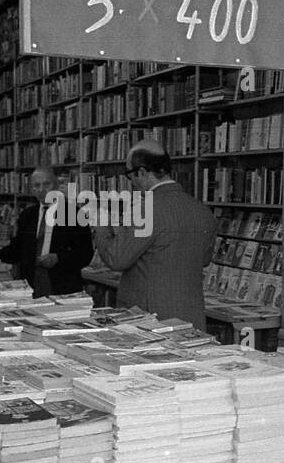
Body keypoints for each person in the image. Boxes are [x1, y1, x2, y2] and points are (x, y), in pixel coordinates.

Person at [92, 141, 216, 330]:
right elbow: (204, 259)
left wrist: (101, 225)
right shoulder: (202, 210)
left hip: (148, 318)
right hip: (190, 315)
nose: (130, 182)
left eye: (129, 174)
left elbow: (116, 259)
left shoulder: (145, 209)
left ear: (141, 172)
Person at [0, 166, 93, 297]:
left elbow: (85, 254)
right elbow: (18, 249)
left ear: (56, 185)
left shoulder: (74, 214)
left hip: (62, 286)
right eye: (36, 185)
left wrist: (58, 258)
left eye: (46, 184)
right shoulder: (27, 215)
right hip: (31, 285)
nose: (41, 190)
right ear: (32, 189)